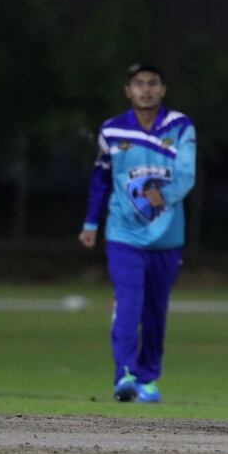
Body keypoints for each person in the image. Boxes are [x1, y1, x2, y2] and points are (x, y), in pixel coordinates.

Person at [79, 63, 196, 403]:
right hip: (123, 235)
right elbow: (100, 179)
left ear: (163, 89)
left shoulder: (179, 126)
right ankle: (125, 375)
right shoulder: (112, 131)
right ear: (128, 91)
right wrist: (90, 223)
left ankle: (148, 378)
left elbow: (186, 173)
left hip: (167, 237)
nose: (146, 89)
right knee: (128, 303)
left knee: (155, 311)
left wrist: (167, 193)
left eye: (152, 83)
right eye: (138, 84)